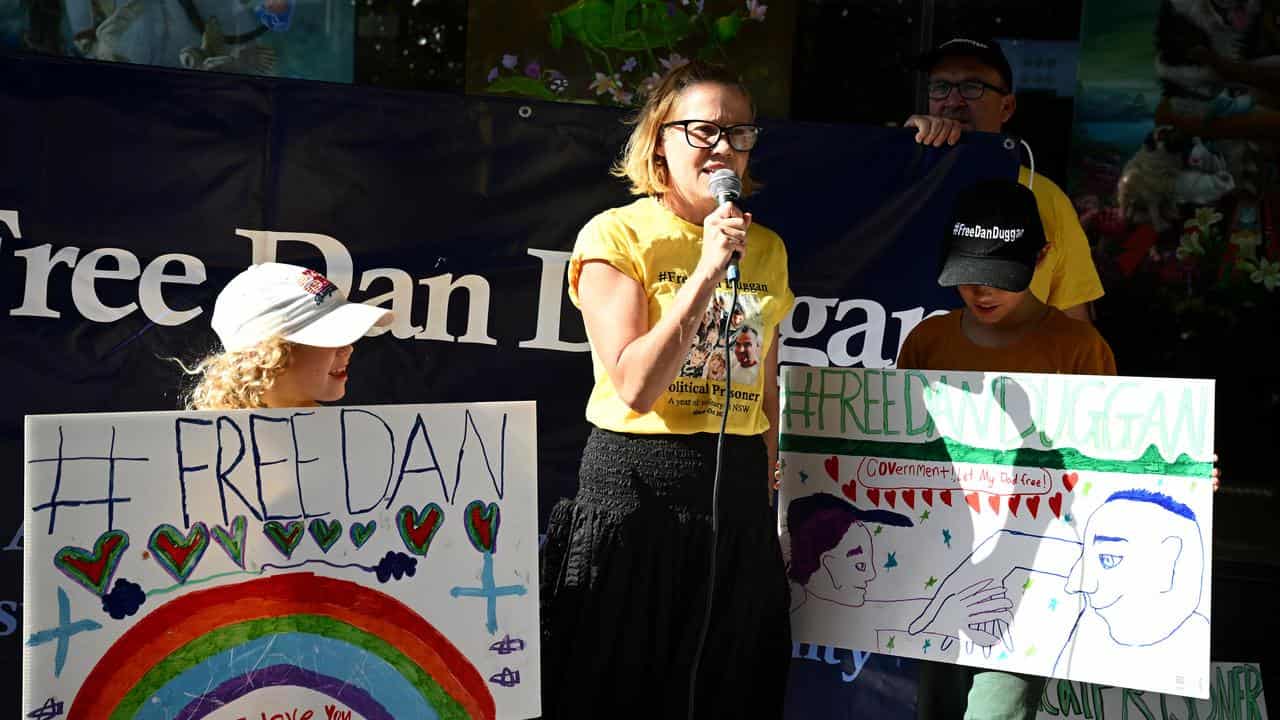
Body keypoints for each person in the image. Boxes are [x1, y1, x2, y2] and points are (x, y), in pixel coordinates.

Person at [539, 60, 795, 718]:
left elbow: (762, 379)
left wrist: (766, 480)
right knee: (618, 688)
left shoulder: (765, 247)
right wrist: (707, 268)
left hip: (733, 492)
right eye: (704, 129)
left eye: (739, 132)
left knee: (726, 688)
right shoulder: (616, 234)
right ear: (659, 139)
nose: (723, 146)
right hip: (640, 484)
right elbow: (636, 384)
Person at [897, 178, 1116, 720]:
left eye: (999, 278)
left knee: (998, 709)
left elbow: (1114, 458)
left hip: (1035, 581)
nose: (981, 292)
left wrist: (1176, 479)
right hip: (938, 571)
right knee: (936, 706)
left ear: (1042, 257)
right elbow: (897, 451)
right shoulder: (927, 341)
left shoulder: (1080, 349)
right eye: (966, 275)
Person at [903, 36, 1105, 323]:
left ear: (1007, 107)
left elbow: (1075, 331)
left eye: (972, 87)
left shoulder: (1045, 197)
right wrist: (899, 154)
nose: (953, 101)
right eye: (940, 87)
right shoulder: (899, 181)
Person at [184, 262, 391, 410]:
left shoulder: (353, 439)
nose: (348, 348)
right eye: (331, 335)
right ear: (268, 355)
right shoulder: (205, 448)